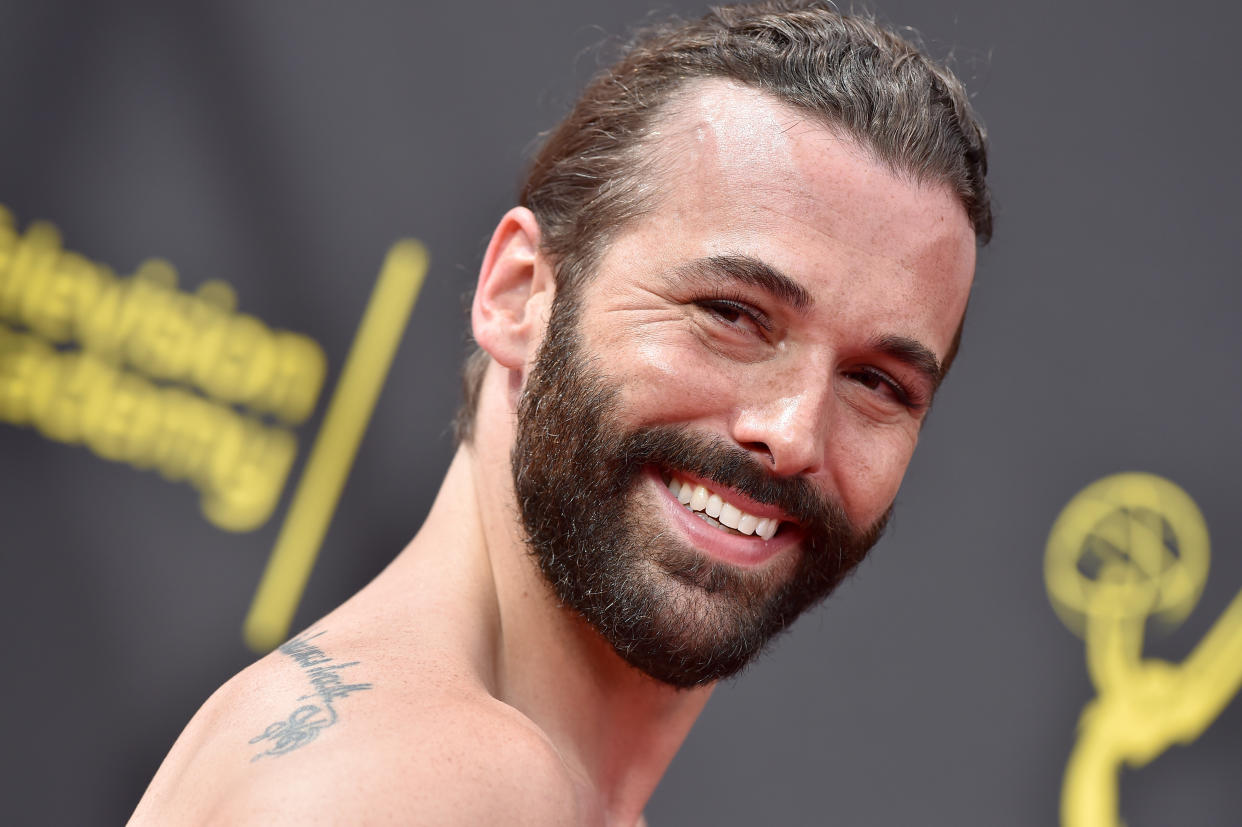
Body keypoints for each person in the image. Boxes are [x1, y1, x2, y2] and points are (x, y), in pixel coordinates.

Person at [130, 1, 990, 823]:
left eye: (879, 383)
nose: (795, 432)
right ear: (518, 295)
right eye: (732, 314)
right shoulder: (437, 778)